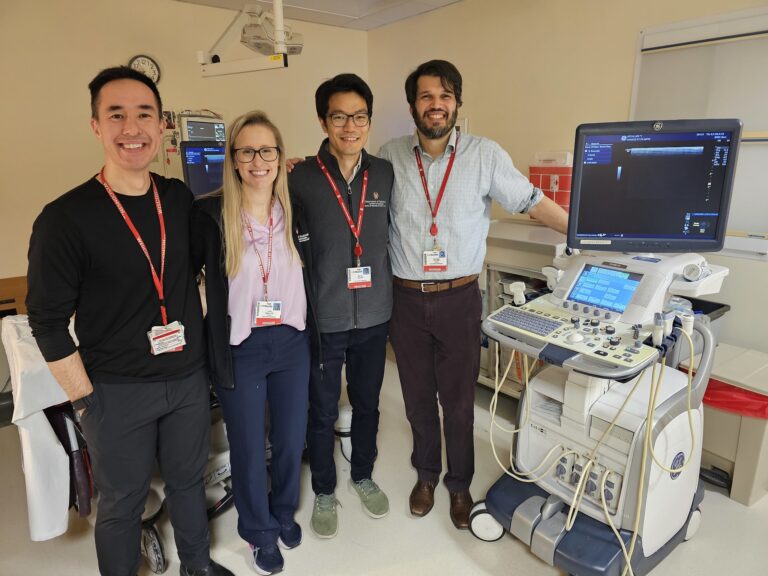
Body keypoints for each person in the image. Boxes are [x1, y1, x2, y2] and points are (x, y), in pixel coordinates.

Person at [25, 66, 233, 576]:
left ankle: (197, 567)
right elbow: (48, 322)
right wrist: (85, 399)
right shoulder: (65, 219)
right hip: (114, 391)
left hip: (186, 378)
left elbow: (223, 252)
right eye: (115, 114)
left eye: (144, 114)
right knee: (121, 503)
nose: (132, 128)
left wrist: (271, 176)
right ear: (96, 125)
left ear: (162, 125)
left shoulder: (178, 200)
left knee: (188, 482)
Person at [378, 59, 568, 530]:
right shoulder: (390, 155)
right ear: (412, 106)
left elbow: (530, 201)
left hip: (459, 298)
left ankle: (458, 484)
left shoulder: (485, 155)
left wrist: (588, 232)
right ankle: (426, 475)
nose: (436, 105)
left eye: (445, 96)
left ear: (457, 104)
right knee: (417, 398)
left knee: (460, 402)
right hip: (404, 299)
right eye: (426, 97)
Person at [192, 110, 312, 575]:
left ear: (281, 157)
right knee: (246, 444)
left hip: (292, 342)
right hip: (241, 346)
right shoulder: (210, 214)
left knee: (288, 439)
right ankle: (259, 532)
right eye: (247, 151)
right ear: (234, 158)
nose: (258, 160)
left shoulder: (296, 209)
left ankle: (283, 513)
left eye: (267, 150)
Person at [288, 73, 394, 539]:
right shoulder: (299, 177)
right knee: (322, 410)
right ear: (322, 120)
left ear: (369, 121)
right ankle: (326, 489)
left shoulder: (385, 173)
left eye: (359, 117)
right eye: (339, 116)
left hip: (375, 315)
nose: (350, 126)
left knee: (369, 404)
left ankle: (363, 474)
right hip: (325, 319)